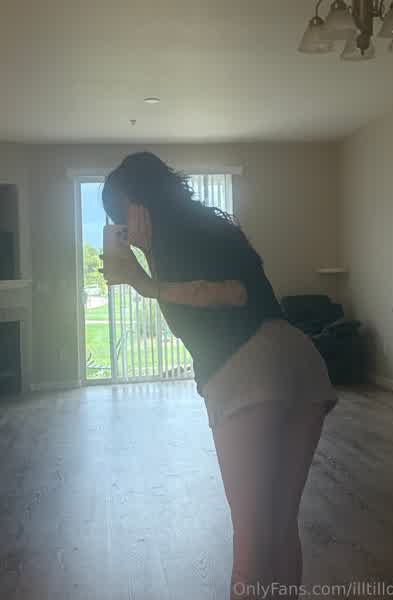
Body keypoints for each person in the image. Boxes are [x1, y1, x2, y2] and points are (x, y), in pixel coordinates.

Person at [100, 152, 338, 600]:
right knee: (280, 527)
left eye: (119, 215)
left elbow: (233, 294)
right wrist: (147, 263)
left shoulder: (177, 239)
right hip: (300, 361)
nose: (121, 228)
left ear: (135, 205)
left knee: (251, 539)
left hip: (249, 370)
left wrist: (143, 282)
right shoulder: (208, 227)